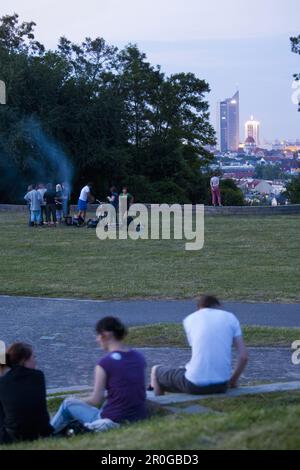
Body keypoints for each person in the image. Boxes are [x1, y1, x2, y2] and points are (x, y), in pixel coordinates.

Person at [51, 317, 147, 434]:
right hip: (138, 417)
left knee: (68, 403)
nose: (97, 340)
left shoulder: (104, 363)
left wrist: (77, 399)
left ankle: (44, 434)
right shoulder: (139, 357)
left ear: (104, 335)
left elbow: (96, 400)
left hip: (112, 420)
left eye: (98, 335)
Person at [151, 295, 248, 396]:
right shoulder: (230, 317)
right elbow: (244, 357)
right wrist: (232, 381)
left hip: (194, 385)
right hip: (221, 385)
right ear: (219, 306)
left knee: (155, 370)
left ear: (199, 308)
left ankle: (159, 405)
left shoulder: (189, 319)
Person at [0, 343, 53, 444]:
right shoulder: (38, 376)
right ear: (24, 360)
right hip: (41, 431)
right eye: (33, 357)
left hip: (14, 435)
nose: (35, 361)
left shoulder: (3, 382)